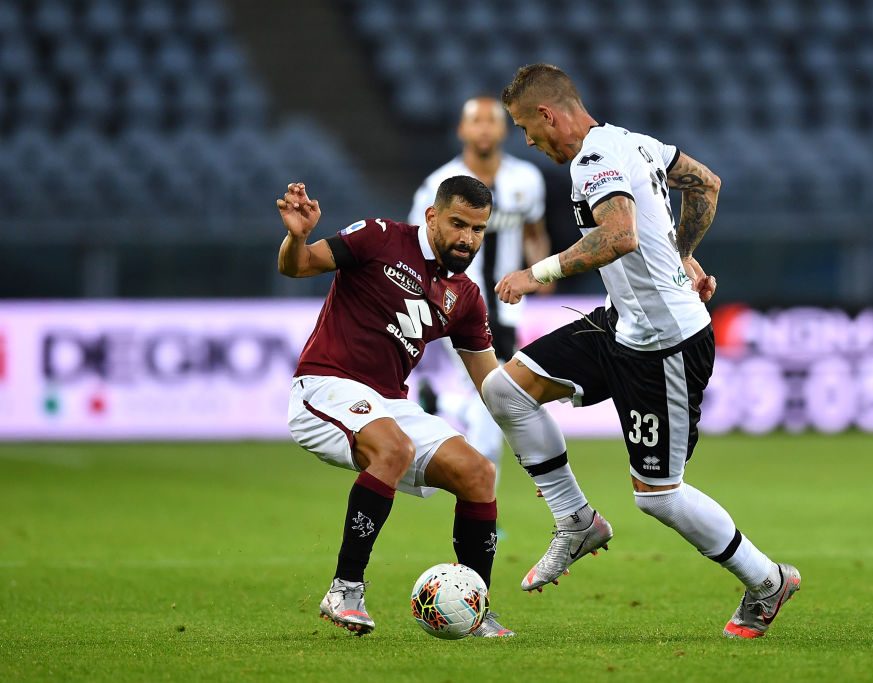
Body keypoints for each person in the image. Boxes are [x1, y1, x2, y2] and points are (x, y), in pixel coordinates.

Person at [479, 64, 801, 639]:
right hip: (622, 324)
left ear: (549, 115)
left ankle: (766, 580)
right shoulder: (634, 142)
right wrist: (680, 255)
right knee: (505, 389)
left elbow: (619, 235)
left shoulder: (593, 160)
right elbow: (706, 183)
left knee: (659, 497)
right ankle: (575, 519)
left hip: (667, 345)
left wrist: (538, 272)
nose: (529, 141)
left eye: (528, 128)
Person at [278, 176, 513, 638]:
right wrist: (297, 236)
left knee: (478, 472)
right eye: (458, 224)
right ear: (432, 216)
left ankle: (476, 606)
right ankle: (345, 589)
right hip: (325, 385)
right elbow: (298, 266)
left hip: (387, 401)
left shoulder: (465, 297)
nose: (468, 239)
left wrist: (549, 392)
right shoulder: (379, 238)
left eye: (479, 229)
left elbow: (492, 385)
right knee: (394, 448)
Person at [409, 96, 550, 484]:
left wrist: (541, 272)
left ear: (504, 130)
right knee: (498, 392)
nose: (485, 128)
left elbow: (535, 234)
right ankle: (483, 494)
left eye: (492, 120)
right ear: (462, 130)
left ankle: (440, 403)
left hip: (510, 304)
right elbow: (416, 246)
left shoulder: (527, 180)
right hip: (460, 303)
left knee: (495, 393)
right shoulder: (437, 186)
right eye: (476, 121)